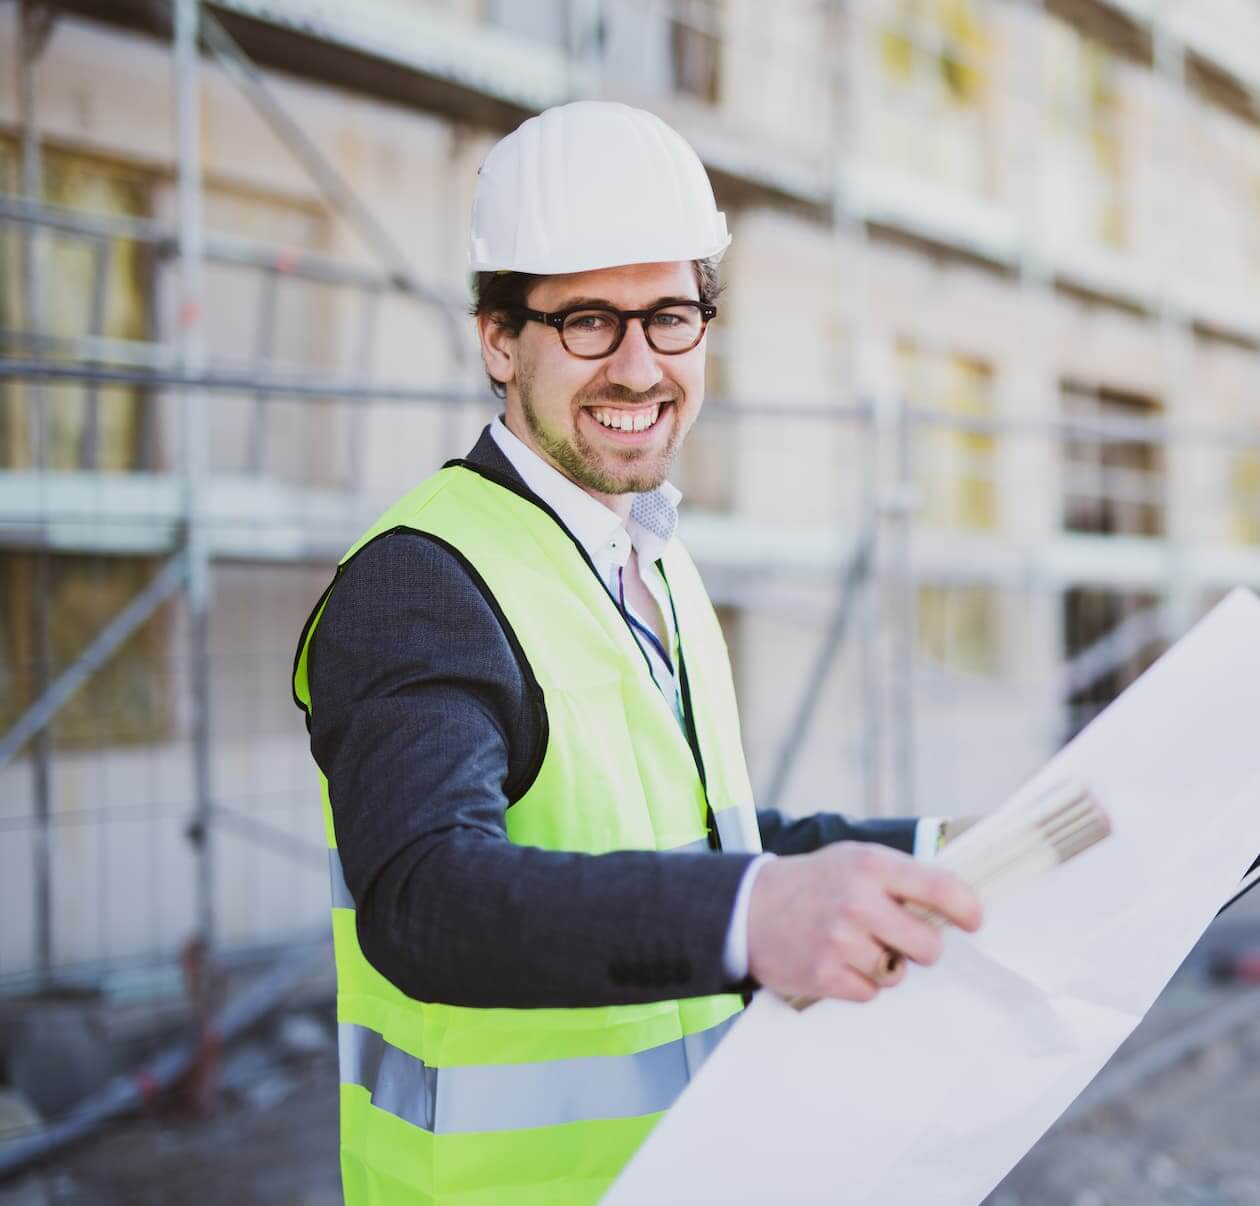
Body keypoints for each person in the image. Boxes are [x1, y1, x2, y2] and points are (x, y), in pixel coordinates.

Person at [291, 101, 981, 1205]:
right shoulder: (421, 579)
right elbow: (426, 897)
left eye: (670, 316)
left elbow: (707, 840)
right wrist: (756, 919)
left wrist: (954, 856)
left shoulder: (648, 554)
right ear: (499, 338)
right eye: (586, 323)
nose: (637, 367)